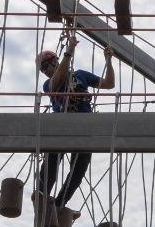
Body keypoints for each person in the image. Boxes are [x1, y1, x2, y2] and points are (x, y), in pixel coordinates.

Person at [36, 33, 115, 214]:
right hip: (61, 126)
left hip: (84, 127)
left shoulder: (80, 75)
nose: (45, 71)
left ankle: (58, 206)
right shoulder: (48, 84)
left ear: (55, 61)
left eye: (46, 66)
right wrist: (69, 51)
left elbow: (109, 84)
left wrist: (108, 61)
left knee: (77, 173)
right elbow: (57, 82)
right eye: (42, 69)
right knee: (50, 164)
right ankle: (41, 196)